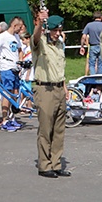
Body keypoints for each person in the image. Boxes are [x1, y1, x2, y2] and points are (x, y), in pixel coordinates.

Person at [31, 13, 70, 178]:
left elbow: (59, 68)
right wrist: (39, 22)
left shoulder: (60, 45)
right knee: (46, 129)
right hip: (45, 89)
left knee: (59, 129)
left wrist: (64, 87)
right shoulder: (40, 44)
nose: (57, 33)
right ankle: (44, 165)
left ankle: (56, 163)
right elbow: (35, 36)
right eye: (54, 30)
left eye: (59, 30)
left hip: (59, 88)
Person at [0, 17, 26, 131]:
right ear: (14, 26)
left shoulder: (15, 37)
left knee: (15, 93)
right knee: (7, 93)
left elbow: (20, 50)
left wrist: (20, 62)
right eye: (20, 27)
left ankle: (12, 118)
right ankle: (4, 120)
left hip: (15, 68)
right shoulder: (3, 36)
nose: (21, 29)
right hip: (6, 68)